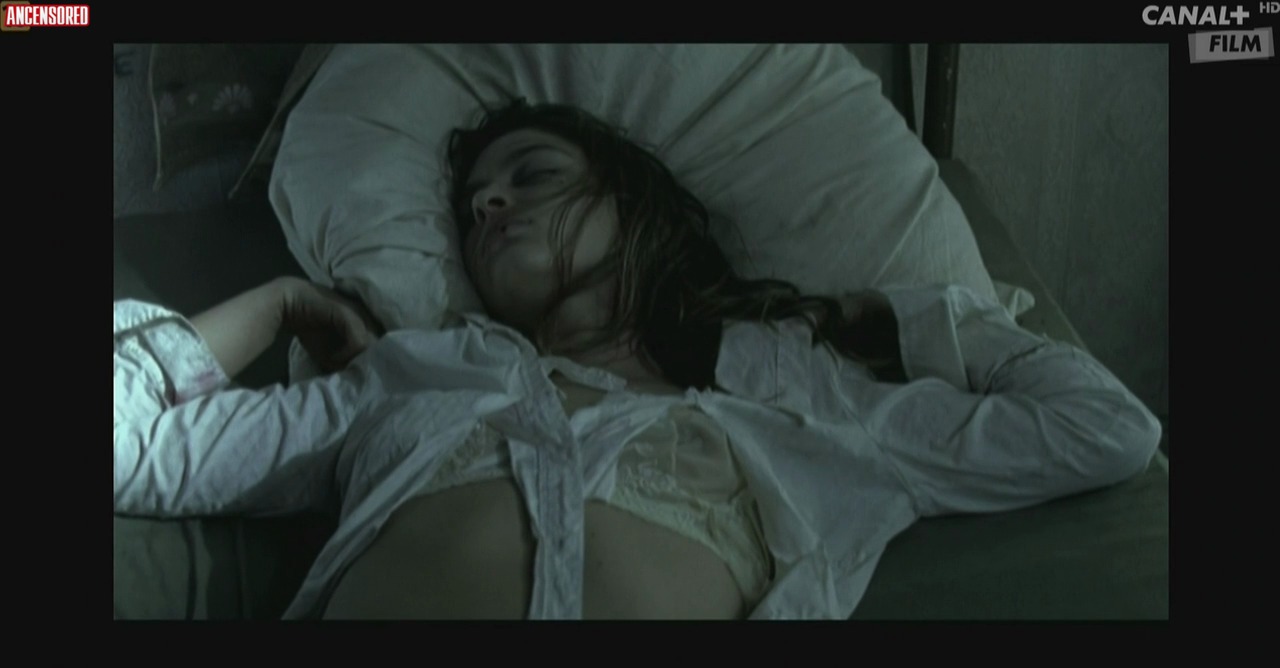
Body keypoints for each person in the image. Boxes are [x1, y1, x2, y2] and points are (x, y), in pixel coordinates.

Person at [113, 100, 1162, 620]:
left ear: (632, 203)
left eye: (531, 176)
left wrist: (880, 313)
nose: (491, 204)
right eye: (475, 205)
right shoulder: (415, 370)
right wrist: (284, 301)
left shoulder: (801, 392)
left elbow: (1103, 429)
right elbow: (126, 447)